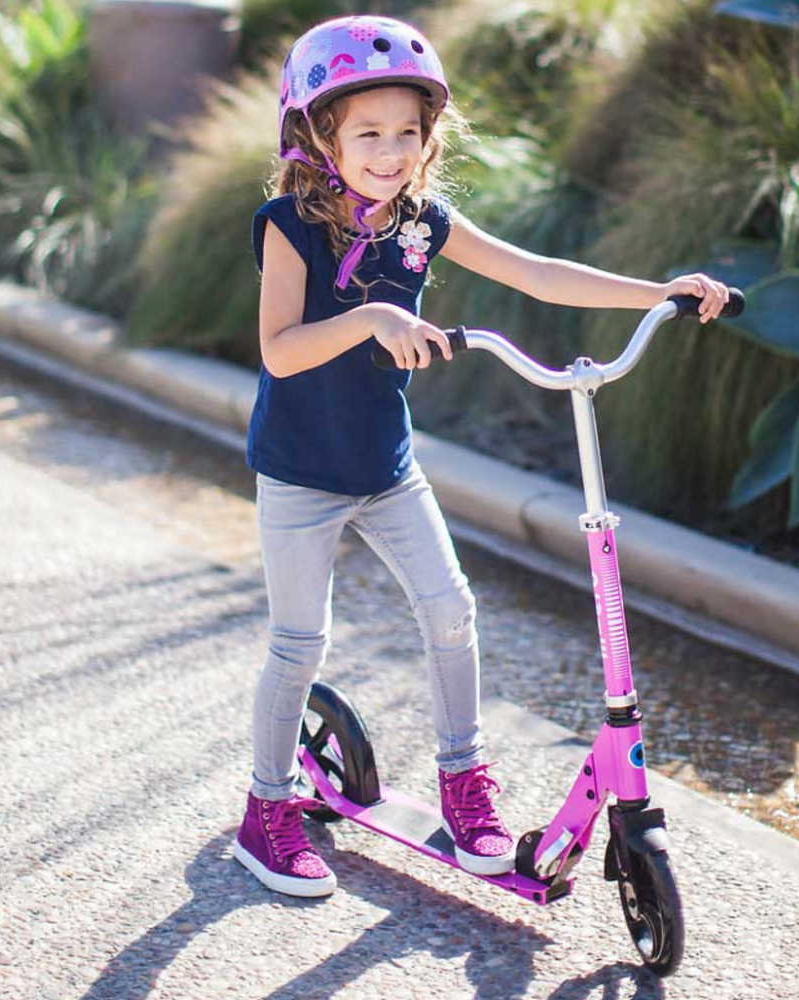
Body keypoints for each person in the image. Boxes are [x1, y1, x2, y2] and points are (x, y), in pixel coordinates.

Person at [234, 14, 729, 899]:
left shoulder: (422, 222)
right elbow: (279, 349)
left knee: (452, 612)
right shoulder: (288, 225)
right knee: (299, 643)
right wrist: (372, 320)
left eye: (408, 133)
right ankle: (266, 810)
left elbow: (537, 273)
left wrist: (660, 292)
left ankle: (464, 783)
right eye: (369, 133)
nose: (391, 153)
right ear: (318, 134)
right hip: (301, 472)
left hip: (385, 467)